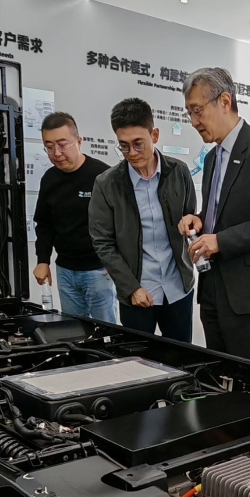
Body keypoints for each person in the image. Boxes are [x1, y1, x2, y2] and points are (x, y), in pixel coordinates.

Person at [176, 67, 250, 364]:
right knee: (218, 372)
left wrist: (221, 240)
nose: (193, 121)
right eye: (189, 113)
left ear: (224, 101)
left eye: (197, 111)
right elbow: (225, 211)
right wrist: (200, 220)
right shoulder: (212, 157)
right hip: (214, 285)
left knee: (247, 378)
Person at [87, 98, 197, 341]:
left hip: (178, 288)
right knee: (137, 359)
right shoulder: (107, 184)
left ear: (154, 135)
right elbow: (102, 242)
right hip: (138, 293)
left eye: (138, 144)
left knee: (182, 356)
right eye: (124, 146)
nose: (132, 153)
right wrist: (131, 287)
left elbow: (192, 217)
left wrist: (193, 221)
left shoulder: (179, 172)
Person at [32, 112, 116, 323]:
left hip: (99, 270)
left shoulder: (103, 176)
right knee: (73, 329)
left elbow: (123, 223)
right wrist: (43, 260)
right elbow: (44, 223)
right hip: (66, 270)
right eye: (49, 147)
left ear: (79, 142)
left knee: (106, 330)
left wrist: (116, 261)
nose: (56, 153)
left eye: (62, 145)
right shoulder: (50, 179)